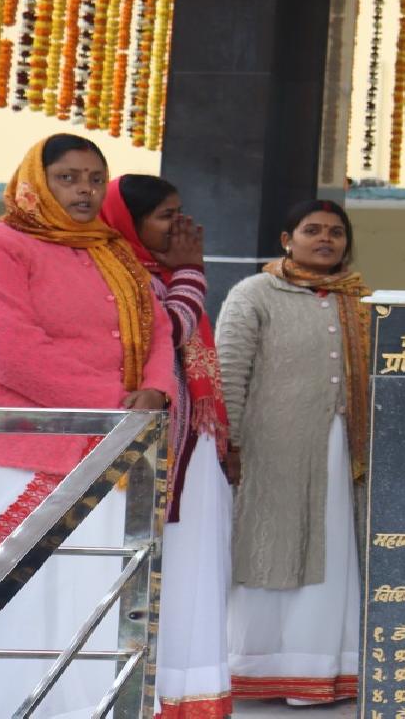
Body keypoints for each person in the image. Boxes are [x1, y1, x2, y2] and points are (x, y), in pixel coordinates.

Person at [0, 134, 177, 718]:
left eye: (94, 179)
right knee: (4, 606)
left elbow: (159, 330)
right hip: (14, 450)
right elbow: (13, 353)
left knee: (87, 601)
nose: (84, 190)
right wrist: (118, 406)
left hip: (108, 448)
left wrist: (155, 391)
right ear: (34, 183)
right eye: (68, 178)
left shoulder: (114, 254)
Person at [217, 199, 369, 706]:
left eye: (336, 232)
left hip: (340, 451)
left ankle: (325, 670)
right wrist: (229, 442)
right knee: (270, 550)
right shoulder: (254, 294)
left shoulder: (360, 301)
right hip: (270, 452)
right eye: (312, 230)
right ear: (287, 239)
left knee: (333, 553)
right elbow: (229, 373)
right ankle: (260, 667)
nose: (326, 239)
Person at [101, 174, 233, 719]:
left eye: (180, 212)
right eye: (165, 216)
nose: (179, 226)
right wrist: (191, 274)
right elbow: (167, 331)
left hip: (186, 443)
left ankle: (186, 690)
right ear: (129, 221)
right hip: (146, 445)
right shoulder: (119, 272)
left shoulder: (162, 274)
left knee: (192, 565)